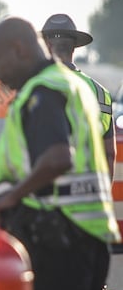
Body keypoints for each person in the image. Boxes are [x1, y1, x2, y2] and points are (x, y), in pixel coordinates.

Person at [0, 16, 120, 290]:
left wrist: (9, 196)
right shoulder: (75, 85)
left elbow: (56, 157)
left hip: (58, 239)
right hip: (87, 237)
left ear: (19, 50)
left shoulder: (42, 92)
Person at [41, 13, 115, 178]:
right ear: (74, 46)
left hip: (47, 196)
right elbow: (109, 152)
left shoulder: (34, 87)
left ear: (46, 45)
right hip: (90, 195)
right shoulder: (100, 92)